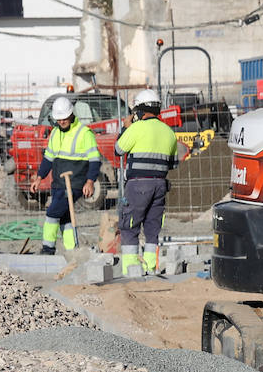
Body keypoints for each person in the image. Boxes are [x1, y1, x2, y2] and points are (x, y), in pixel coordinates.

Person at [114, 89, 179, 277]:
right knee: (152, 228)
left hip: (137, 185)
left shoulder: (136, 128)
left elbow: (118, 149)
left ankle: (130, 269)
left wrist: (126, 128)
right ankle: (151, 267)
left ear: (140, 111)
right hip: (160, 184)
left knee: (129, 225)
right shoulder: (169, 132)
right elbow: (173, 164)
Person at [30, 96, 101, 254]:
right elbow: (48, 158)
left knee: (52, 213)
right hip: (58, 183)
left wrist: (90, 181)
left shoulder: (84, 133)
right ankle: (72, 251)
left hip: (75, 183)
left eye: (64, 118)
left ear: (71, 115)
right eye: (59, 119)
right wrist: (39, 177)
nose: (61, 122)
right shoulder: (55, 133)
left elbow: (95, 160)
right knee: (64, 217)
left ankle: (48, 249)